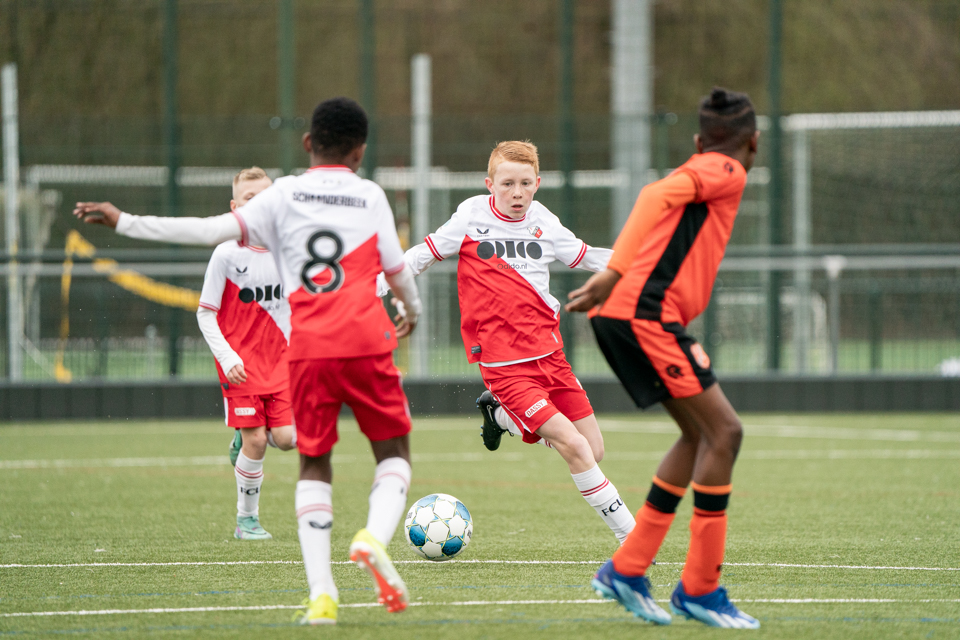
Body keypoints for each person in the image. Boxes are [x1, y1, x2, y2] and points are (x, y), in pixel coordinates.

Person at [73, 97, 422, 626]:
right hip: (367, 339)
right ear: (360, 151)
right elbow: (397, 271)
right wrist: (411, 310)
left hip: (305, 348)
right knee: (393, 454)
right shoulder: (370, 195)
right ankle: (373, 535)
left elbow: (207, 229)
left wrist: (124, 221)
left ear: (308, 144)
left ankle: (322, 596)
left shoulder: (281, 196)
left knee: (312, 463)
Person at [565, 87, 761, 628]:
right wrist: (612, 272)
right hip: (641, 314)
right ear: (755, 144)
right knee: (727, 433)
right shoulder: (727, 168)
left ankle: (627, 570)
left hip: (632, 316)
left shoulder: (706, 166)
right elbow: (654, 195)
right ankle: (700, 589)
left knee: (700, 436)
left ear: (698, 139)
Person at [378, 140, 635, 545]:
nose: (517, 193)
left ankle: (500, 417)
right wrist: (376, 287)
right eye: (507, 184)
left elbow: (586, 256)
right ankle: (633, 538)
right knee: (572, 445)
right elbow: (420, 255)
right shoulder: (470, 217)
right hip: (504, 364)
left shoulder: (544, 222)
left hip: (551, 355)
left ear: (538, 184)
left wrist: (643, 262)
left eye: (525, 184)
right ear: (489, 184)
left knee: (593, 449)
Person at [199, 167, 296, 540]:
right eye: (249, 200)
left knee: (287, 440)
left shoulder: (291, 251)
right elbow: (205, 313)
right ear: (235, 207)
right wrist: (227, 357)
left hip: (282, 363)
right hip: (240, 366)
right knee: (258, 441)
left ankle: (244, 439)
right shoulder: (225, 254)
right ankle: (247, 521)